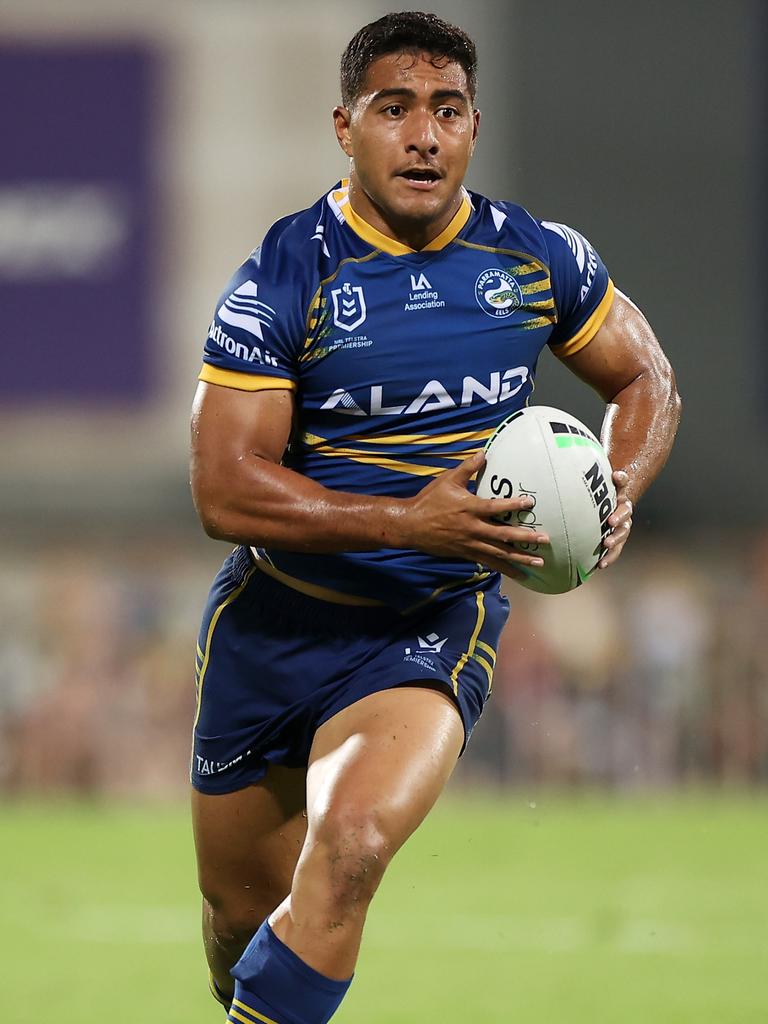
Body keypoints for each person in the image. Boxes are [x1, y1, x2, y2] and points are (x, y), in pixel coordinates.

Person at [189, 11, 681, 1023]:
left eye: (445, 110)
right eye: (395, 108)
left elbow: (647, 379)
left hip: (425, 626)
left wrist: (614, 489)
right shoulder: (289, 272)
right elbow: (224, 490)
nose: (423, 134)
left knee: (355, 845)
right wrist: (411, 519)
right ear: (345, 126)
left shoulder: (536, 258)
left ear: (472, 125)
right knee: (241, 925)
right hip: (275, 621)